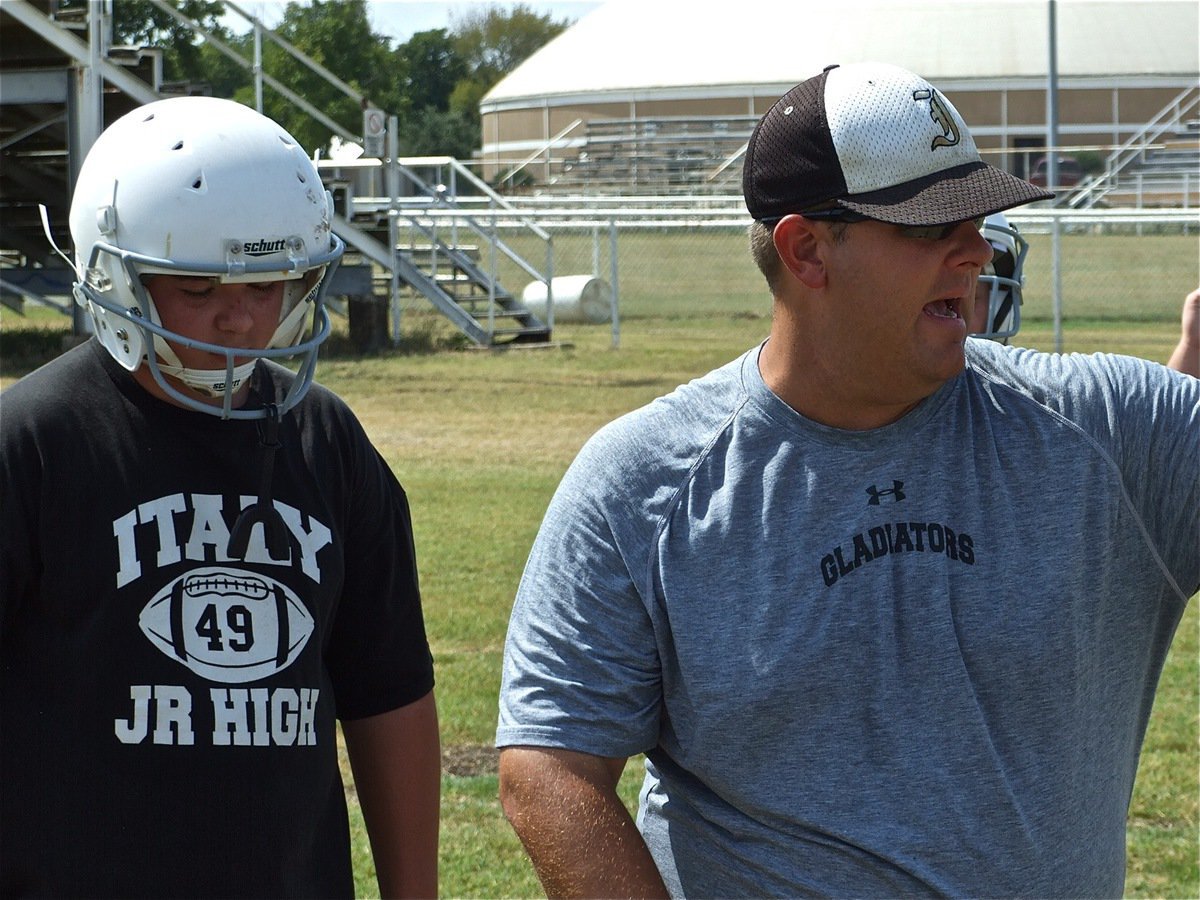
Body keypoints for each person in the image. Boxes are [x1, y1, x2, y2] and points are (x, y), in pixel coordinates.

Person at [496, 61, 1199, 897]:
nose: (975, 251)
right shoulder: (642, 483)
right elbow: (549, 767)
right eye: (927, 227)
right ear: (806, 249)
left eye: (975, 219)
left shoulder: (1112, 432)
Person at [0, 97, 440, 898]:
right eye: (198, 288)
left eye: (271, 284)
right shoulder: (33, 442)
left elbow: (390, 695)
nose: (240, 318)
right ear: (111, 275)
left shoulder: (328, 441)